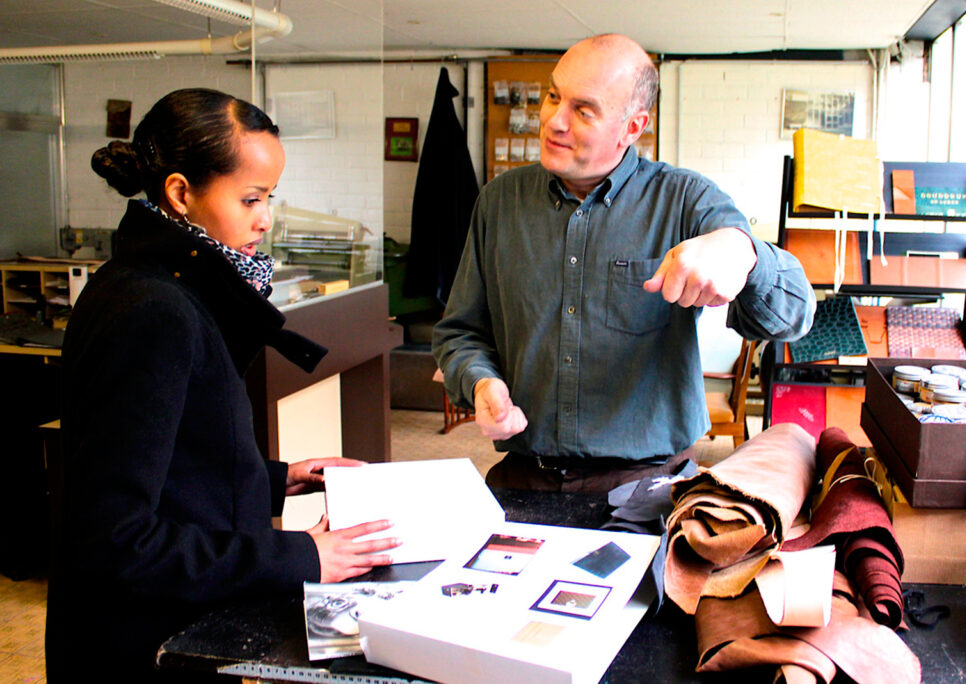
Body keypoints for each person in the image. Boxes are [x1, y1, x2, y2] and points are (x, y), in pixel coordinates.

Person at [45, 88, 400, 683]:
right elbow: (117, 538)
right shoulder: (152, 310)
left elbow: (169, 466)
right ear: (181, 193)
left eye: (270, 198)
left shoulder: (166, 286)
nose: (265, 219)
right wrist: (303, 555)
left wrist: (275, 477)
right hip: (139, 648)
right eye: (250, 198)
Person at [433, 34, 815, 493]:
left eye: (583, 110)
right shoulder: (499, 202)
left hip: (648, 486)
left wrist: (745, 253)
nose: (554, 120)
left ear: (633, 127)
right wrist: (479, 382)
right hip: (523, 481)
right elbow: (460, 332)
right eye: (554, 96)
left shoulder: (685, 200)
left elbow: (797, 315)